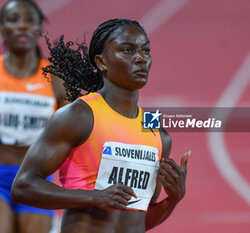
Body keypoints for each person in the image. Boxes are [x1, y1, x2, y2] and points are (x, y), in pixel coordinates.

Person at [11, 18, 190, 233]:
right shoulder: (79, 116)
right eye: (127, 50)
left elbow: (139, 221)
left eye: (146, 50)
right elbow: (23, 186)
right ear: (101, 62)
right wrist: (94, 197)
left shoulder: (157, 134)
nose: (141, 58)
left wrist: (172, 200)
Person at [0, 0, 66, 233]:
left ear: (39, 28)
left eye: (29, 20)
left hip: (36, 178)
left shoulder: (55, 79)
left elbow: (73, 132)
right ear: (2, 28)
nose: (22, 26)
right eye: (13, 20)